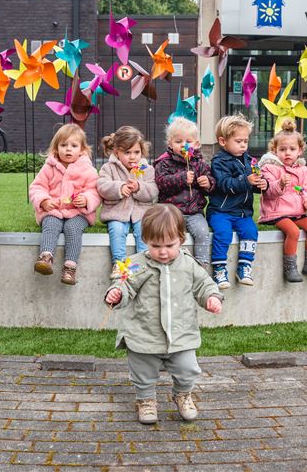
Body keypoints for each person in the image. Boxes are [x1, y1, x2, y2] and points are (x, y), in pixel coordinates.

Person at [104, 204, 223, 425]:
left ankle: (183, 394)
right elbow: (124, 285)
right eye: (155, 245)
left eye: (170, 245)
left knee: (187, 369)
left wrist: (211, 297)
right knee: (142, 371)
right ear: (145, 240)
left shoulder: (188, 263)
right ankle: (145, 399)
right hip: (144, 333)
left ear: (182, 238)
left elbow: (203, 284)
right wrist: (116, 293)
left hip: (181, 333)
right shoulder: (136, 264)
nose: (163, 251)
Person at [258, 120, 307, 282]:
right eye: (282, 150)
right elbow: (268, 191)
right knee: (293, 231)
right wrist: (280, 184)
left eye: (292, 149)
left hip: (297, 212)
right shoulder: (269, 168)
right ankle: (290, 267)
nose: (287, 153)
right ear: (274, 150)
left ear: (300, 151)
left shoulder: (302, 169)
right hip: (277, 212)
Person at [29, 123, 101, 286]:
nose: (68, 149)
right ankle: (46, 257)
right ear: (56, 148)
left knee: (72, 228)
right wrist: (44, 200)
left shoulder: (87, 170)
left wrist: (86, 199)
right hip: (55, 210)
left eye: (73, 146)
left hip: (78, 213)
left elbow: (95, 191)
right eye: (63, 145)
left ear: (82, 150)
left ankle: (70, 267)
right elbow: (37, 187)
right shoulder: (50, 167)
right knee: (51, 223)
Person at [208, 115, 267, 289]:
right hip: (221, 211)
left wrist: (262, 184)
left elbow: (252, 184)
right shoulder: (219, 161)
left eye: (245, 141)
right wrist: (246, 180)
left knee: (251, 231)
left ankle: (244, 266)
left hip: (242, 213)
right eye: (238, 141)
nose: (243, 145)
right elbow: (224, 184)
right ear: (223, 141)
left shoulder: (249, 161)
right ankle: (219, 269)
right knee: (223, 234)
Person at [154, 117, 215, 267]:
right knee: (171, 236)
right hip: (172, 211)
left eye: (188, 141)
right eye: (178, 141)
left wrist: (208, 183)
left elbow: (211, 186)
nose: (184, 145)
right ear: (170, 143)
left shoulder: (200, 164)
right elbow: (161, 183)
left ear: (196, 144)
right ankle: (173, 263)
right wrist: (181, 178)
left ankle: (202, 263)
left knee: (202, 233)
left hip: (194, 212)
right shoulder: (164, 163)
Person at [97, 126, 159, 275]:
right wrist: (119, 188)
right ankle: (119, 264)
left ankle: (144, 262)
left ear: (142, 152)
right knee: (117, 230)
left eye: (136, 152)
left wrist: (139, 187)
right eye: (127, 153)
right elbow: (102, 186)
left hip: (140, 212)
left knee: (143, 230)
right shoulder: (109, 168)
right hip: (117, 212)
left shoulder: (146, 169)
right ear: (116, 152)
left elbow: (153, 190)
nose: (132, 157)